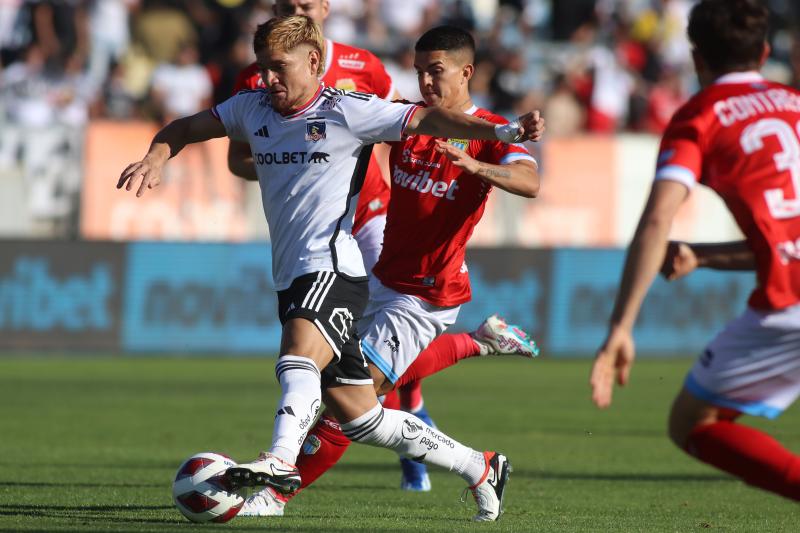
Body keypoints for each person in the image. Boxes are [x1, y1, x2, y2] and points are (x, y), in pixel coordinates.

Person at [117, 15, 543, 521]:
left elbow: (481, 151)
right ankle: (479, 465)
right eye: (263, 69)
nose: (268, 79)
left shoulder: (351, 111)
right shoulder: (251, 107)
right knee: (357, 415)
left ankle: (277, 474)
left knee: (299, 358)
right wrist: (158, 156)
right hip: (364, 273)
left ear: (315, 62)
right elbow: (189, 127)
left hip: (380, 279)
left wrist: (502, 134)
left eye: (279, 69)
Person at [229, 0, 537, 501]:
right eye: (419, 73)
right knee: (353, 402)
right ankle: (479, 461)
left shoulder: (485, 133)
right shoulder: (410, 128)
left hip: (427, 292)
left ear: (467, 72)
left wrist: (480, 169)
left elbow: (529, 179)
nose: (426, 84)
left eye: (436, 72)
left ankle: (272, 496)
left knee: (347, 401)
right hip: (378, 276)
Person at [591, 0, 800, 501]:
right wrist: (704, 256)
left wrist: (621, 326)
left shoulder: (700, 117)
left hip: (789, 303)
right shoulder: (794, 102)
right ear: (765, 50)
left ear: (697, 59)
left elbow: (658, 218)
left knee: (694, 422)